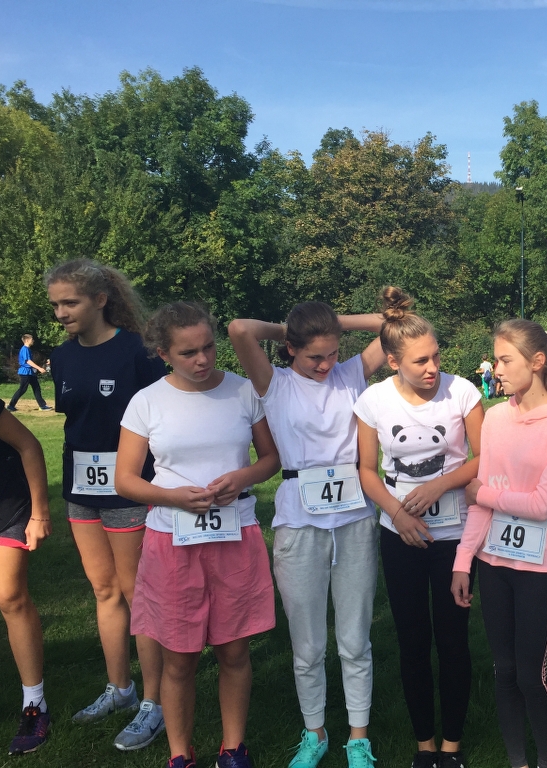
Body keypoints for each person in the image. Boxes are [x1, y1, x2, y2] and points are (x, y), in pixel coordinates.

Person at [115, 301, 279, 768]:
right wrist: (172, 497)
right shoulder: (147, 401)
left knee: (235, 650)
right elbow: (124, 479)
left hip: (234, 536)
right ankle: (179, 753)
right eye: (189, 353)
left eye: (208, 347)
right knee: (179, 658)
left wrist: (242, 477)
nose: (203, 359)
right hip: (171, 541)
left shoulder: (242, 391)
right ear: (164, 353)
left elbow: (271, 458)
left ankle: (233, 747)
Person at [227, 297, 387, 768]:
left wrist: (330, 326)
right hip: (299, 522)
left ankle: (358, 736)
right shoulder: (274, 382)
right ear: (292, 348)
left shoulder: (351, 374)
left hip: (354, 519)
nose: (325, 364)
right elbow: (239, 328)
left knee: (355, 639)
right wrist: (292, 327)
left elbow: (391, 325)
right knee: (308, 644)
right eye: (315, 355)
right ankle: (314, 732)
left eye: (333, 352)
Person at [354, 289, 484, 768]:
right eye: (420, 361)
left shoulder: (463, 391)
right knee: (412, 640)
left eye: (436, 356)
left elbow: (485, 457)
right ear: (393, 362)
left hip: (454, 536)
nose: (433, 368)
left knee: (452, 639)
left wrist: (440, 485)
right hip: (400, 535)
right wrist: (398, 513)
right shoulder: (373, 400)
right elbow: (367, 469)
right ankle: (424, 745)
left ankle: (452, 746)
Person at [45, 259, 168, 750]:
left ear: (100, 300)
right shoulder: (61, 356)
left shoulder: (137, 351)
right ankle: (120, 688)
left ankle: (155, 703)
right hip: (81, 489)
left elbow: (163, 414)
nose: (61, 313)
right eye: (56, 304)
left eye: (69, 302)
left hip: (129, 488)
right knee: (103, 590)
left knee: (138, 593)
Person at [451, 319, 547, 768]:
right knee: (503, 671)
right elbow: (484, 501)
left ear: (537, 361)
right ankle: (517, 762)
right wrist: (463, 560)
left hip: (539, 564)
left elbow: (543, 503)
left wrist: (484, 493)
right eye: (497, 360)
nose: (497, 369)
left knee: (530, 674)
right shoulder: (496, 417)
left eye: (506, 360)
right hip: (493, 561)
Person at [0, 384, 53, 755]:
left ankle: (34, 704)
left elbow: (29, 444)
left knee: (9, 594)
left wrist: (40, 513)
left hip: (4, 501)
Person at [6, 334, 51, 412]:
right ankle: (11, 406)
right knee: (22, 389)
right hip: (25, 373)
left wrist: (40, 366)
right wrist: (39, 368)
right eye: (32, 339)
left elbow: (30, 362)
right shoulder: (25, 349)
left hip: (30, 372)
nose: (33, 341)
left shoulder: (28, 349)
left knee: (36, 388)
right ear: (27, 340)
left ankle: (42, 405)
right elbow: (28, 361)